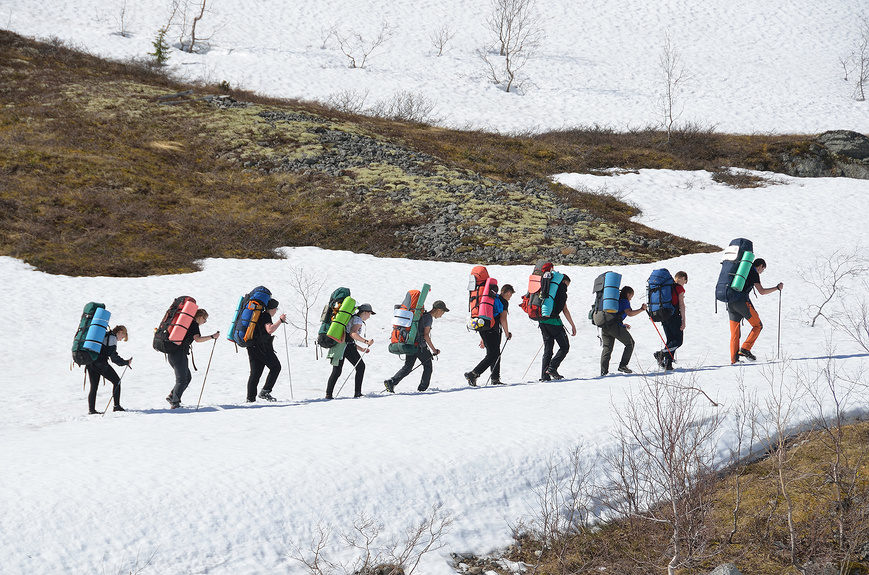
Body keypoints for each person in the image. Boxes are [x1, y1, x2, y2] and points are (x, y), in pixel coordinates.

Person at [384, 300, 449, 393]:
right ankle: (422, 388)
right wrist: (434, 350)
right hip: (419, 346)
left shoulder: (424, 315)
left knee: (408, 367)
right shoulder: (428, 318)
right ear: (438, 310)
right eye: (442, 312)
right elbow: (426, 335)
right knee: (428, 366)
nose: (442, 315)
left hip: (412, 345)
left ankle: (392, 382)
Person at [728, 258, 783, 364]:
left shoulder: (741, 270)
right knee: (758, 326)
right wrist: (777, 288)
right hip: (742, 302)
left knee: (735, 332)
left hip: (730, 302)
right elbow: (761, 291)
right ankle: (745, 348)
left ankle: (734, 360)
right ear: (760, 266)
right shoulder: (753, 273)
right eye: (763, 269)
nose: (762, 272)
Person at [165, 309, 220, 409]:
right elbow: (198, 339)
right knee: (182, 380)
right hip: (179, 354)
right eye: (204, 319)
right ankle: (175, 402)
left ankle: (172, 396)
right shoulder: (193, 324)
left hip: (173, 354)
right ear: (199, 317)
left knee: (187, 377)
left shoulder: (187, 323)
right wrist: (212, 336)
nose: (204, 322)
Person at [465, 284, 514, 386]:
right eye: (511, 295)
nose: (510, 298)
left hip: (484, 328)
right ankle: (474, 374)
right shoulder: (503, 301)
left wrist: (483, 338)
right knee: (493, 354)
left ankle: (495, 379)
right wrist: (507, 333)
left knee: (495, 353)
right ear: (508, 293)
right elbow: (503, 318)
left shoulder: (492, 299)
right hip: (493, 330)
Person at [325, 303, 375, 399]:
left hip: (340, 345)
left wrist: (361, 349)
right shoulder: (358, 320)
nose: (369, 316)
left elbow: (348, 337)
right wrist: (366, 341)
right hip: (346, 346)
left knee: (336, 371)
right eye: (369, 314)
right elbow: (352, 334)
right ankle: (357, 393)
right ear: (365, 312)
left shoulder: (352, 318)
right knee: (361, 367)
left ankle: (329, 394)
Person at [246, 299, 287, 402]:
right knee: (276, 367)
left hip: (252, 346)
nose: (276, 311)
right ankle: (265, 391)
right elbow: (270, 329)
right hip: (262, 347)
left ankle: (250, 399)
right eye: (276, 309)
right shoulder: (266, 315)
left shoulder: (258, 315)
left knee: (255, 374)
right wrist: (280, 321)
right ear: (272, 309)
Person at [601, 286, 646, 376]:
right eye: (631, 296)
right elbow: (630, 313)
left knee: (607, 348)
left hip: (605, 326)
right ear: (628, 294)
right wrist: (642, 309)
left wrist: (622, 324)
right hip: (614, 327)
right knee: (630, 343)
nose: (630, 299)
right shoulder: (624, 301)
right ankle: (623, 365)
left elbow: (615, 316)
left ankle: (603, 371)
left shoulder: (615, 301)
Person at [86, 325, 131, 414]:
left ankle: (91, 410)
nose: (121, 339)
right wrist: (124, 362)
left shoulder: (105, 335)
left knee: (94, 387)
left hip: (91, 362)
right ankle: (116, 406)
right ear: (120, 332)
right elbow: (113, 357)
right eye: (122, 337)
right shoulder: (112, 338)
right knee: (117, 381)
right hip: (100, 363)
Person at [539, 275, 576, 381]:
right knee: (564, 347)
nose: (567, 287)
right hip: (554, 322)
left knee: (548, 349)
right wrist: (572, 325)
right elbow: (565, 309)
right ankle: (552, 368)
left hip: (543, 321)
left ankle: (544, 375)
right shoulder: (561, 290)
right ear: (564, 281)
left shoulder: (548, 288)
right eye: (567, 285)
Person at [654, 271, 688, 371]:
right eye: (685, 281)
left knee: (670, 340)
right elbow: (681, 304)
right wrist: (683, 320)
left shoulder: (667, 287)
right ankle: (660, 354)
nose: (684, 284)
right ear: (682, 278)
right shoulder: (678, 288)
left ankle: (668, 364)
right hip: (674, 316)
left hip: (664, 316)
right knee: (678, 341)